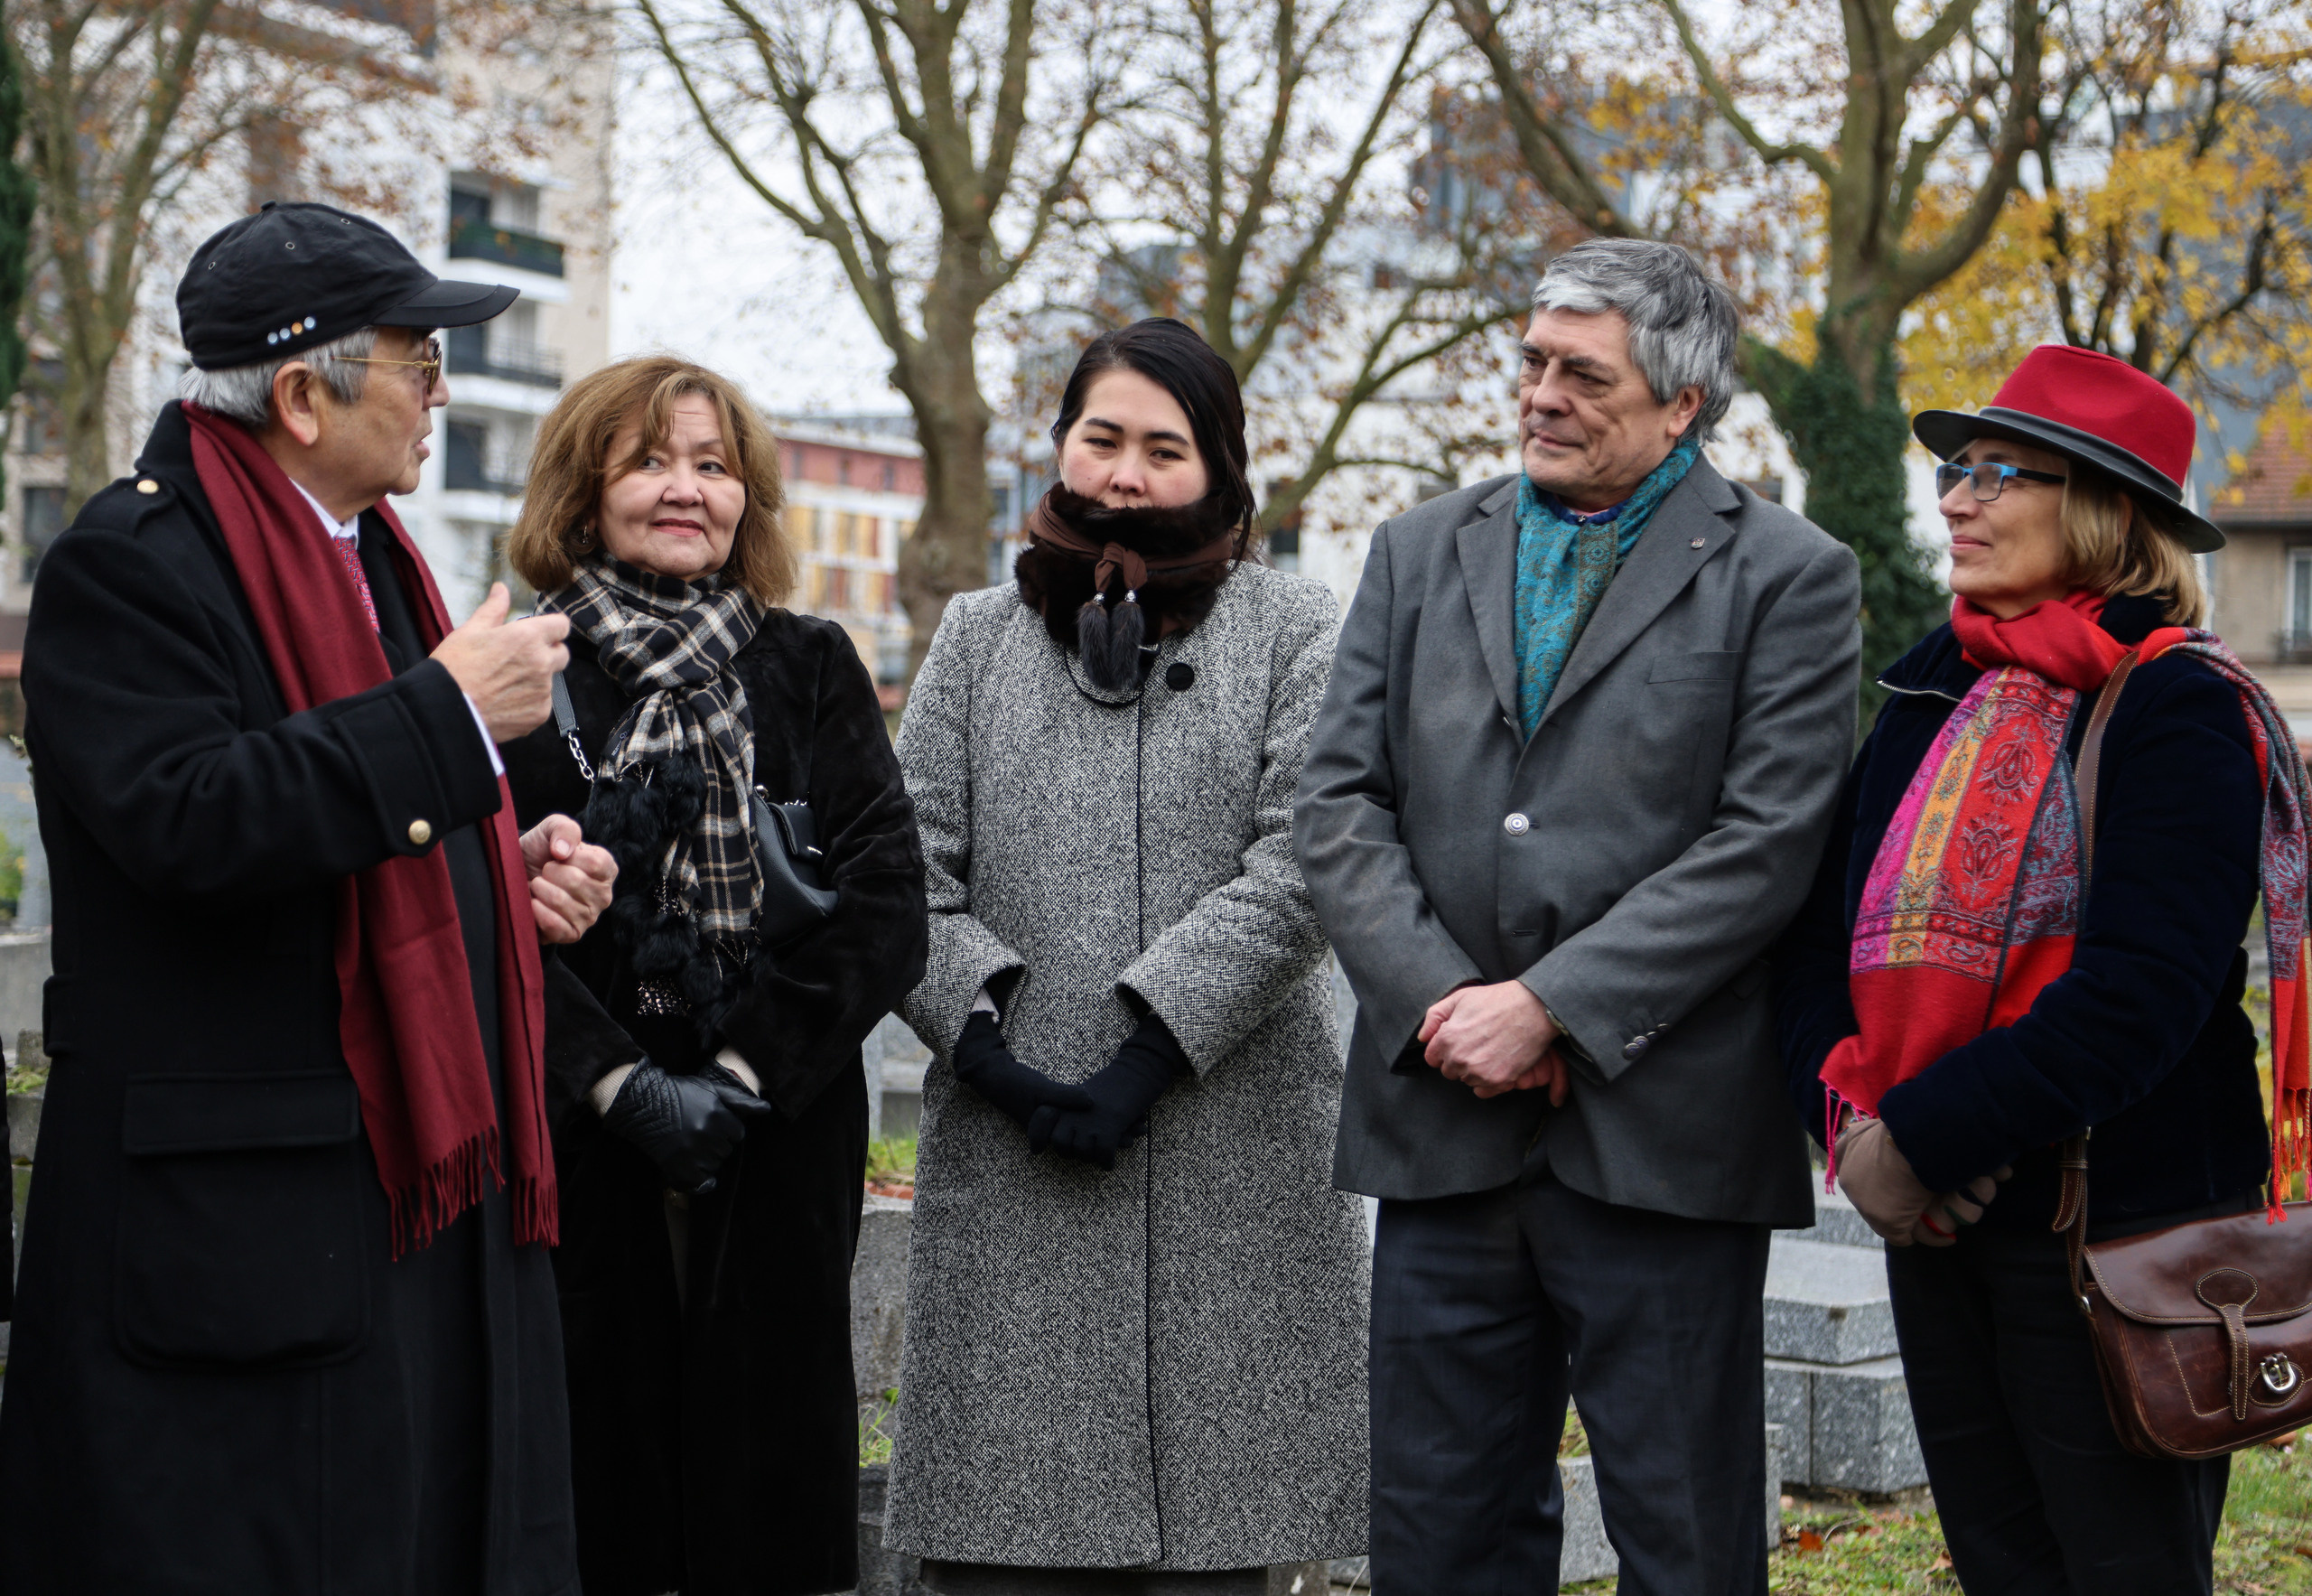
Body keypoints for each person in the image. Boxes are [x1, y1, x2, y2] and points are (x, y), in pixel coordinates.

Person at [1, 201, 617, 1593]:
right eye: (417, 360)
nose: (440, 393)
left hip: (396, 1221)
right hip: (244, 1245)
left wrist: (493, 881)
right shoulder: (128, 565)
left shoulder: (376, 561)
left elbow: (353, 832)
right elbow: (190, 822)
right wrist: (452, 724)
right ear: (297, 395)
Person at [1292, 238, 1862, 1595]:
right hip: (1442, 1126)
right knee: (1438, 1536)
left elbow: (1765, 844)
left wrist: (1551, 1007)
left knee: (1682, 1532)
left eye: (1581, 373)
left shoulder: (1791, 575)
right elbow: (1338, 806)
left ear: (1681, 405)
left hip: (1661, 1137)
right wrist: (1449, 1009)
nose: (1541, 394)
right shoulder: (1421, 547)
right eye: (1533, 360)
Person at [1774, 342, 2305, 1593]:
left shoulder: (2178, 707)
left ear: (2106, 510)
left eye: (2000, 473)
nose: (1955, 499)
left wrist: (1923, 1141)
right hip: (1936, 1230)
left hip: (2115, 1238)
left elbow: (2146, 995)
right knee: (2000, 1569)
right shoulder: (1930, 685)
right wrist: (1855, 1131)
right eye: (1957, 470)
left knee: (2123, 1569)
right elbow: (1809, 943)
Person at [882, 316, 1368, 1591]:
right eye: (1103, 438)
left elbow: (1304, 860)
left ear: (1220, 470)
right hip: (1016, 1151)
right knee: (1003, 1552)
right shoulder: (979, 638)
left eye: (1166, 448)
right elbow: (903, 869)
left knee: (1216, 1558)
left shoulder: (1298, 629)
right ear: (1059, 448)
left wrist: (1147, 1056)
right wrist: (994, 1056)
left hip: (1231, 1156)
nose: (1127, 476)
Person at [499, 353, 928, 1596]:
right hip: (582, 1138)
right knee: (597, 1479)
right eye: (649, 462)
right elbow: (479, 913)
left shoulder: (810, 665)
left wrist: (740, 1081)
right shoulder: (523, 671)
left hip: (777, 1137)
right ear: (584, 491)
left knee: (766, 1487)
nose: (685, 489)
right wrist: (619, 1087)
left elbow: (887, 910)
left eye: (713, 464)